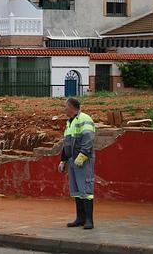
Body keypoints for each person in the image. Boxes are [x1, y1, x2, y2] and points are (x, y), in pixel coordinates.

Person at [58, 97, 95, 230]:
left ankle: (89, 220)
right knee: (77, 191)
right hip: (73, 161)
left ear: (72, 107)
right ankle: (80, 219)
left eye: (65, 106)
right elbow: (66, 143)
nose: (64, 109)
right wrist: (63, 160)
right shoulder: (69, 122)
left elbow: (88, 139)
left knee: (87, 190)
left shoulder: (84, 119)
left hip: (83, 161)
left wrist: (83, 155)